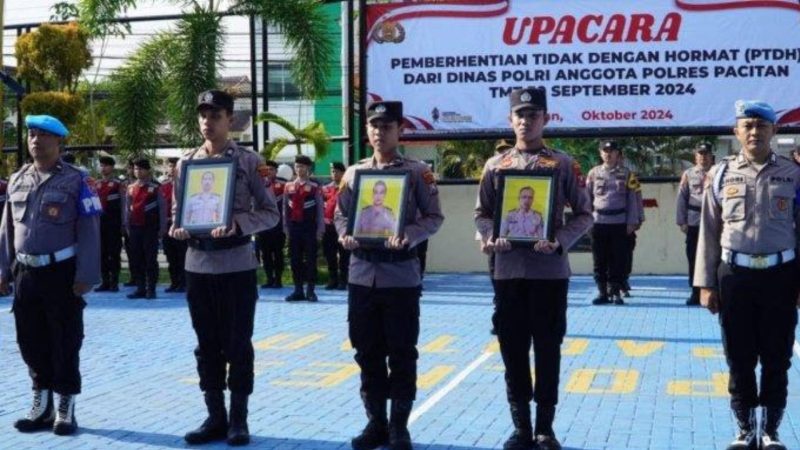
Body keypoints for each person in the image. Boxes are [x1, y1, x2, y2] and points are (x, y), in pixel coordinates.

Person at [475, 87, 593, 450]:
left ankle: (545, 428)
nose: (526, 121)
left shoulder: (561, 164)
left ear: (546, 119)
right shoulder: (496, 166)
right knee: (512, 349)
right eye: (519, 115)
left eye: (533, 115)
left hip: (548, 274)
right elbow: (482, 215)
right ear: (511, 120)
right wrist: (487, 238)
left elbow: (586, 213)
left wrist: (558, 240)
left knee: (547, 348)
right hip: (508, 271)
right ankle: (521, 427)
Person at [169, 89, 280, 446]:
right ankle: (214, 416)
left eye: (215, 115)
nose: (207, 122)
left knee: (237, 344)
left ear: (229, 120)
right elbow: (177, 213)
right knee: (206, 345)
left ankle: (238, 419)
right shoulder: (185, 164)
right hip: (198, 265)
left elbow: (270, 213)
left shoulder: (248, 162)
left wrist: (237, 225)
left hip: (235, 265)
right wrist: (178, 227)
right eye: (202, 115)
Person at [336, 100, 444, 450]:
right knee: (366, 351)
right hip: (362, 275)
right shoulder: (354, 174)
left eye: (387, 126)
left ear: (400, 130)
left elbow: (433, 217)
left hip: (400, 276)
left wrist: (409, 234)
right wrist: (344, 234)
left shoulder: (416, 173)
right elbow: (340, 215)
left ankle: (399, 426)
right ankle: (376, 423)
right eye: (374, 126)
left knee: (401, 351)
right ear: (367, 131)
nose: (379, 132)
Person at [695, 100, 799, 450]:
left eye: (762, 126)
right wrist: (706, 284)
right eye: (748, 126)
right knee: (738, 356)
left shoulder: (793, 174)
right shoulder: (720, 173)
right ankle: (743, 428)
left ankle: (770, 430)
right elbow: (708, 231)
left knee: (777, 355)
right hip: (734, 276)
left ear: (775, 130)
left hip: (781, 275)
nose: (755, 132)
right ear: (736, 131)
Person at [0, 115, 101, 436]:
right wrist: (3, 269)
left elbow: (89, 230)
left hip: (62, 272)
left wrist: (87, 275)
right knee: (30, 339)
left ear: (59, 142)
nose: (35, 140)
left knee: (65, 339)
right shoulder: (17, 179)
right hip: (26, 272)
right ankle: (40, 403)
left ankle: (64, 406)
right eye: (31, 134)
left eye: (44, 135)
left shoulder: (76, 181)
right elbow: (7, 229)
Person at [586, 140, 642, 305]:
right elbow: (586, 198)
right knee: (599, 259)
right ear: (600, 153)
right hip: (598, 222)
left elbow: (633, 198)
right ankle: (602, 292)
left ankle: (616, 290)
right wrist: (586, 221)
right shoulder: (593, 173)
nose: (608, 154)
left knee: (619, 259)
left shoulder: (627, 174)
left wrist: (632, 222)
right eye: (605, 151)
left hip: (619, 223)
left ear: (618, 154)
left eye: (612, 151)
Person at [676, 143, 714, 305]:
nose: (703, 157)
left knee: (714, 258)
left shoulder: (719, 172)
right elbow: (681, 198)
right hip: (694, 221)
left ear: (711, 156)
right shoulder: (688, 174)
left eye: (706, 154)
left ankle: (713, 291)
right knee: (693, 259)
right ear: (695, 156)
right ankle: (695, 292)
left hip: (714, 222)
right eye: (700, 154)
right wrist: (681, 221)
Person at [283, 155, 324, 302]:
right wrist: (285, 227)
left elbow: (320, 209)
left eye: (302, 166)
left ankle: (310, 291)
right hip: (294, 227)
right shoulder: (288, 186)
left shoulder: (314, 186)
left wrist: (320, 229)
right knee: (295, 259)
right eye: (297, 166)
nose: (299, 169)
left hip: (309, 227)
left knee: (311, 259)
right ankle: (298, 290)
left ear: (308, 168)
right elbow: (285, 209)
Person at [125, 158, 167, 299]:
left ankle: (152, 289)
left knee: (150, 259)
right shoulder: (130, 187)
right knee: (137, 259)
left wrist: (162, 227)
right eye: (136, 169)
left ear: (148, 170)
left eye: (141, 169)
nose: (138, 171)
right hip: (135, 228)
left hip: (150, 228)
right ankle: (140, 288)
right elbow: (127, 208)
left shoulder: (155, 188)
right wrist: (126, 225)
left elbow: (162, 208)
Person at [94, 155, 125, 292]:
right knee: (102, 253)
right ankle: (104, 281)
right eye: (101, 165)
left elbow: (124, 204)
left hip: (114, 223)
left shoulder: (119, 184)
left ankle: (114, 282)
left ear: (112, 167)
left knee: (114, 253)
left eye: (106, 165)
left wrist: (124, 223)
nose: (103, 168)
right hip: (100, 223)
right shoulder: (96, 184)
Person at [256, 160, 287, 288]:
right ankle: (269, 279)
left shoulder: (283, 185)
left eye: (272, 170)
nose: (269, 172)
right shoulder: (259, 186)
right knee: (266, 254)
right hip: (264, 226)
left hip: (278, 226)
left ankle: (278, 279)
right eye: (267, 170)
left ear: (276, 171)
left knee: (278, 253)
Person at [322, 161, 349, 290]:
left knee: (344, 255)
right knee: (330, 254)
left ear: (343, 173)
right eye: (332, 171)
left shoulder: (347, 188)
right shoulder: (326, 188)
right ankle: (333, 279)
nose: (334, 173)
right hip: (329, 226)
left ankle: (344, 280)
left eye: (337, 171)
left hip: (343, 226)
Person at [161, 157, 187, 292]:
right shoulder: (163, 185)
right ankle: (174, 282)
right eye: (169, 166)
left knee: (182, 255)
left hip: (181, 225)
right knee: (170, 256)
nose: (171, 169)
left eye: (174, 166)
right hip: (167, 225)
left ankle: (184, 282)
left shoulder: (185, 184)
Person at [122, 158, 139, 287]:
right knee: (131, 253)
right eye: (130, 168)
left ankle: (143, 281)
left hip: (142, 224)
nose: (132, 170)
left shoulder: (152, 184)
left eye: (134, 168)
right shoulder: (123, 184)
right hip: (127, 223)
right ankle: (134, 277)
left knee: (144, 255)